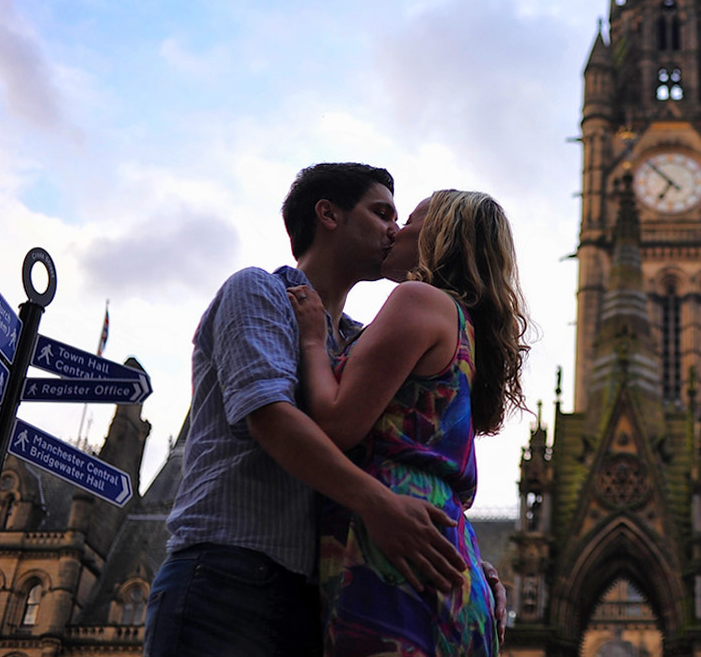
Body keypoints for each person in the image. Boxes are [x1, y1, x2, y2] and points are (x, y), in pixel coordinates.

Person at [145, 163, 469, 657]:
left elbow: (405, 452)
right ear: (328, 214)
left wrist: (467, 557)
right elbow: (271, 417)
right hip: (225, 574)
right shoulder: (258, 291)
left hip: (315, 598)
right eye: (382, 212)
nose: (396, 231)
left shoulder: (361, 342)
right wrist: (377, 504)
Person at [288, 189, 531, 657]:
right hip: (443, 554)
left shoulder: (417, 300)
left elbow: (337, 424)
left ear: (440, 234)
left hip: (395, 553)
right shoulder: (463, 327)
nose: (396, 229)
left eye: (413, 218)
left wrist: (314, 342)